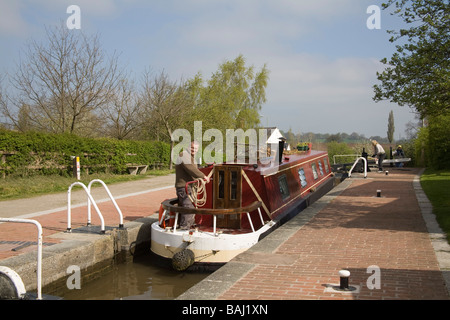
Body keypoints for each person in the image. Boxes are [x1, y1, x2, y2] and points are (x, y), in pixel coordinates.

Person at [175, 141, 210, 229]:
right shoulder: (183, 155)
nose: (194, 150)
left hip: (189, 186)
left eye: (196, 148)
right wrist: (203, 176)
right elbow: (190, 168)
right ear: (188, 146)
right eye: (192, 148)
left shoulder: (190, 156)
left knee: (190, 206)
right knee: (188, 206)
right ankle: (184, 228)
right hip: (184, 187)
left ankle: (188, 225)